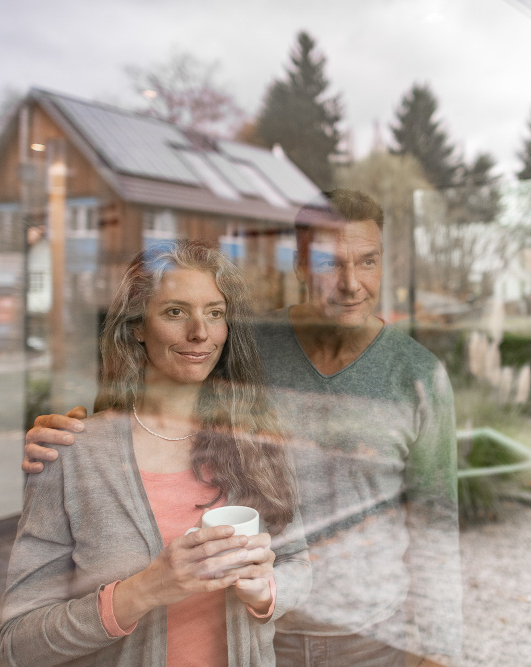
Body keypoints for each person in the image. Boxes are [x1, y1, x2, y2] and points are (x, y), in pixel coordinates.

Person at [24, 190, 461, 666]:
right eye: (329, 263)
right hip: (256, 638)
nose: (351, 283)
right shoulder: (245, 344)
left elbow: (436, 521)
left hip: (372, 638)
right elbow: (155, 400)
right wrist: (71, 434)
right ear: (298, 266)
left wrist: (437, 650)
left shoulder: (419, 376)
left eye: (368, 261)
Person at [2, 240, 309, 666]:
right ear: (137, 327)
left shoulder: (257, 439)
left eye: (214, 313)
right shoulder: (72, 456)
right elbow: (20, 643)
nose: (200, 332)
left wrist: (265, 591)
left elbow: (298, 563)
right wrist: (144, 590)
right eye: (175, 312)